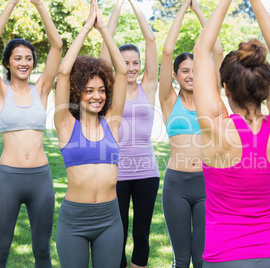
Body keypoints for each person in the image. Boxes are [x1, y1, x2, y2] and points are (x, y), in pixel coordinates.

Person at [193, 0, 270, 266]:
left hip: (225, 255)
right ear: (266, 85)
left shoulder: (216, 126)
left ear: (225, 87)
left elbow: (201, 51)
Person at [0, 0, 62, 267]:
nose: (24, 62)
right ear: (7, 62)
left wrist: (40, 5)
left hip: (41, 180)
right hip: (9, 181)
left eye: (28, 58)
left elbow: (57, 46)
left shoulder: (40, 89)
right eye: (18, 58)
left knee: (42, 251)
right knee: (0, 252)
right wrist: (12, 3)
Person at [54, 0, 127, 267]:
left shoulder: (112, 124)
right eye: (89, 89)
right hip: (75, 219)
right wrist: (86, 28)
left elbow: (120, 71)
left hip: (110, 218)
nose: (97, 96)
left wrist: (104, 29)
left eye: (102, 90)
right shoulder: (65, 123)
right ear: (77, 92)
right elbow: (63, 72)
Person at [158, 0, 223, 266]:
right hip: (177, 185)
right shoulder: (167, 100)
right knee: (181, 259)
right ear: (175, 75)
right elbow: (166, 51)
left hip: (208, 183)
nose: (191, 75)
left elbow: (216, 50)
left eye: (196, 70)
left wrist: (199, 12)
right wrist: (183, 9)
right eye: (185, 70)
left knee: (203, 257)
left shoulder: (211, 99)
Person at [101, 0, 159, 267]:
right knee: (118, 232)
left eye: (136, 63)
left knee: (142, 234)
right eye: (125, 63)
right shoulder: (111, 88)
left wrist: (133, 4)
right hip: (117, 171)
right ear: (117, 65)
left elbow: (150, 40)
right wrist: (116, 6)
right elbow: (106, 44)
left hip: (147, 171)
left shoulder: (149, 85)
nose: (132, 67)